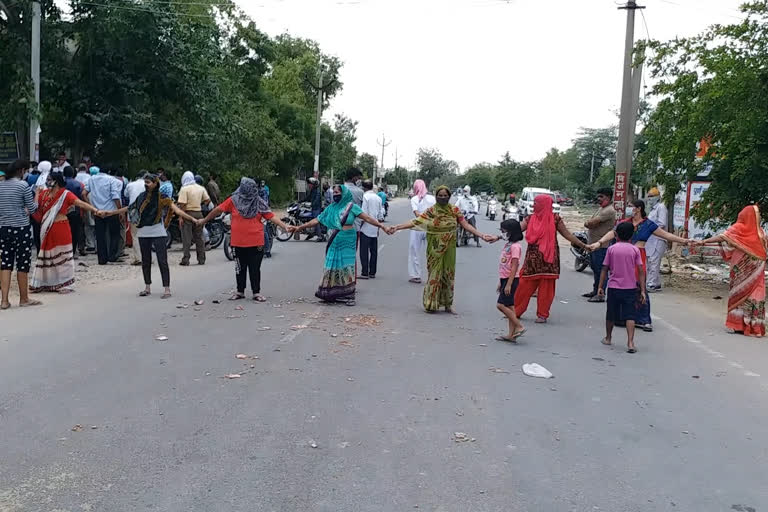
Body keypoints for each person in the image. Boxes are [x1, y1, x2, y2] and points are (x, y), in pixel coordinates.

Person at [387, 185, 498, 313]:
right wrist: (397, 227)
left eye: (445, 195)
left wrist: (482, 235)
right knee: (434, 274)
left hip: (450, 247)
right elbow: (415, 222)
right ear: (436, 196)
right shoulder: (431, 211)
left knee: (448, 274)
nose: (443, 197)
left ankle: (447, 304)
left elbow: (465, 224)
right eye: (440, 195)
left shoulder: (454, 210)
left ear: (449, 196)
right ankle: (430, 303)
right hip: (434, 247)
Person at [588, 199, 691, 332]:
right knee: (620, 284)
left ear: (639, 209)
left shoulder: (648, 224)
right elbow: (612, 233)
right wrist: (599, 243)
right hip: (622, 255)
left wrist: (684, 241)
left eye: (632, 206)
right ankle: (621, 317)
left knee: (639, 284)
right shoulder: (625, 223)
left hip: (638, 255)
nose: (630, 209)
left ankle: (644, 319)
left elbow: (666, 235)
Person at [294, 184, 388, 306]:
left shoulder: (352, 207)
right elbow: (317, 220)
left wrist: (382, 226)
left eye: (338, 192)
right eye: (334, 193)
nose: (336, 195)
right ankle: (330, 292)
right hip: (335, 238)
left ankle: (347, 294)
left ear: (344, 194)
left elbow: (368, 218)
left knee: (346, 265)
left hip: (349, 239)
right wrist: (300, 227)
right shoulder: (331, 208)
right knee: (332, 263)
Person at [200, 178, 291, 301]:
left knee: (255, 268)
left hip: (256, 242)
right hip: (238, 242)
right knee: (239, 268)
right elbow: (218, 210)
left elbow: (270, 216)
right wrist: (204, 221)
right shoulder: (233, 201)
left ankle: (256, 292)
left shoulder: (259, 202)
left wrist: (284, 226)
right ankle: (240, 291)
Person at [110, 174, 196, 299]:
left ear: (155, 183)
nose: (146, 184)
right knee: (146, 260)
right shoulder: (141, 197)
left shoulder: (162, 197)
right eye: (145, 182)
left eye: (148, 182)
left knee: (162, 261)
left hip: (158, 231)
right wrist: (110, 213)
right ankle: (147, 287)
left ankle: (167, 289)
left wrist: (192, 218)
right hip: (143, 231)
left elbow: (176, 210)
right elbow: (130, 208)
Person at [514, 195, 587, 323]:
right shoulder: (530, 218)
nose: (533, 205)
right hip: (532, 258)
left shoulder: (555, 219)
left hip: (549, 258)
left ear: (543, 204)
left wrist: (583, 245)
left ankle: (542, 314)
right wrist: (501, 235)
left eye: (536, 203)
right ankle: (516, 311)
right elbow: (516, 230)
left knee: (546, 287)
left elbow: (567, 235)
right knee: (524, 284)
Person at [695, 205, 767, 337]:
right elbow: (723, 237)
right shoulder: (745, 229)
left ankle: (748, 326)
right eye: (758, 214)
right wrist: (704, 241)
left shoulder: (758, 232)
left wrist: (703, 242)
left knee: (753, 296)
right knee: (745, 295)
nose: (760, 217)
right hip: (746, 270)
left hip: (753, 271)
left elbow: (764, 250)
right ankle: (744, 325)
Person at [30, 169, 104, 293]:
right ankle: (46, 283)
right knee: (47, 255)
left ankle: (65, 284)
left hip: (61, 227)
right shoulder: (43, 194)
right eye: (47, 180)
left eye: (50, 180)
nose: (47, 182)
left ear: (56, 181)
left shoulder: (65, 194)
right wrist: (37, 193)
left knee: (62, 255)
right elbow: (35, 208)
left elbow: (80, 203)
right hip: (47, 228)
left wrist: (95, 210)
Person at [597, 221, 646, 353]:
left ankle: (608, 337)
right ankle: (630, 342)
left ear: (616, 235)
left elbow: (604, 268)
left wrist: (600, 286)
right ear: (631, 235)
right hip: (630, 288)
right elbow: (641, 271)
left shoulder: (611, 249)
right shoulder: (635, 250)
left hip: (613, 287)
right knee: (630, 315)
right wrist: (642, 290)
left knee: (611, 314)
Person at [0, 160, 40, 309]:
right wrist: (37, 195)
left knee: (6, 263)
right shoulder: (23, 186)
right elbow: (32, 209)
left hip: (4, 228)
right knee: (22, 263)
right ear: (21, 170)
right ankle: (24, 299)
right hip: (21, 229)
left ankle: (4, 300)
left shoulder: (0, 185)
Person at [582, 188, 616, 302]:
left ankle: (600, 293)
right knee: (595, 269)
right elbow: (591, 222)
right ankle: (595, 290)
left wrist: (588, 223)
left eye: (601, 197)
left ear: (608, 197)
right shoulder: (601, 209)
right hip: (594, 245)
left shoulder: (609, 211)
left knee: (601, 271)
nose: (598, 199)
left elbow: (591, 223)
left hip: (601, 246)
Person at [84, 165, 122, 265]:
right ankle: (112, 256)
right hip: (111, 211)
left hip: (97, 211)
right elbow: (115, 196)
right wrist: (120, 210)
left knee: (100, 236)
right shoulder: (111, 179)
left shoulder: (91, 179)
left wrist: (91, 207)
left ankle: (102, 259)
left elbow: (84, 193)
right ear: (108, 171)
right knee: (114, 234)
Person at [496, 219, 525, 342]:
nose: (503, 233)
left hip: (511, 280)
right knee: (510, 306)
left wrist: (508, 284)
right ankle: (511, 335)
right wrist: (501, 282)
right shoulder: (508, 244)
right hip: (505, 279)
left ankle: (519, 326)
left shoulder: (515, 247)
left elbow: (514, 266)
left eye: (504, 231)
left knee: (501, 305)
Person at [176, 171, 210, 266]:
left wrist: (181, 217)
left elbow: (182, 205)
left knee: (186, 238)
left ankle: (186, 259)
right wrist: (200, 205)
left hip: (187, 214)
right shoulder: (201, 188)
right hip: (199, 214)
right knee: (199, 237)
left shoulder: (184, 189)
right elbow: (207, 200)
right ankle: (201, 259)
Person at [408, 179, 435, 283]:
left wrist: (423, 219)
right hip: (430, 227)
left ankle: (415, 275)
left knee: (414, 251)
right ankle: (433, 274)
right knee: (432, 252)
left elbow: (416, 214)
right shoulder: (433, 199)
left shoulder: (414, 199)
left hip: (417, 228)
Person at [645, 187, 668, 292]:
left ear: (657, 197)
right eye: (648, 196)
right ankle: (656, 282)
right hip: (651, 240)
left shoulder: (661, 207)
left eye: (651, 196)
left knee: (654, 262)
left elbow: (662, 223)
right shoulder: (652, 210)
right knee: (651, 261)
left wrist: (650, 228)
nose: (649, 199)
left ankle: (652, 284)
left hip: (659, 239)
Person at [359, 180, 383, 279]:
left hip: (366, 227)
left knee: (364, 251)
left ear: (364, 188)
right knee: (374, 251)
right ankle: (372, 272)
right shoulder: (378, 198)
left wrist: (360, 225)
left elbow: (364, 213)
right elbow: (380, 214)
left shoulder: (365, 197)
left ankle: (365, 272)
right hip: (375, 226)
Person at [62, 166, 84, 259]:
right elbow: (81, 197)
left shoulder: (60, 184)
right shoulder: (78, 184)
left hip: (62, 210)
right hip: (75, 210)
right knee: (74, 231)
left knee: (63, 231)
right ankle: (73, 251)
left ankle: (63, 251)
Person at [125, 174, 147, 266]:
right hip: (146, 212)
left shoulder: (130, 185)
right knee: (146, 235)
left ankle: (138, 258)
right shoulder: (148, 184)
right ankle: (147, 257)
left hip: (133, 213)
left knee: (135, 236)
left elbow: (125, 195)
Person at [307, 177, 325, 242]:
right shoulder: (312, 191)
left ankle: (320, 236)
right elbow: (308, 198)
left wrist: (311, 205)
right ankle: (312, 232)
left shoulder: (317, 192)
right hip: (314, 208)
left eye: (310, 183)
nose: (309, 185)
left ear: (314, 184)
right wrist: (300, 201)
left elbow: (316, 201)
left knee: (316, 221)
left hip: (317, 209)